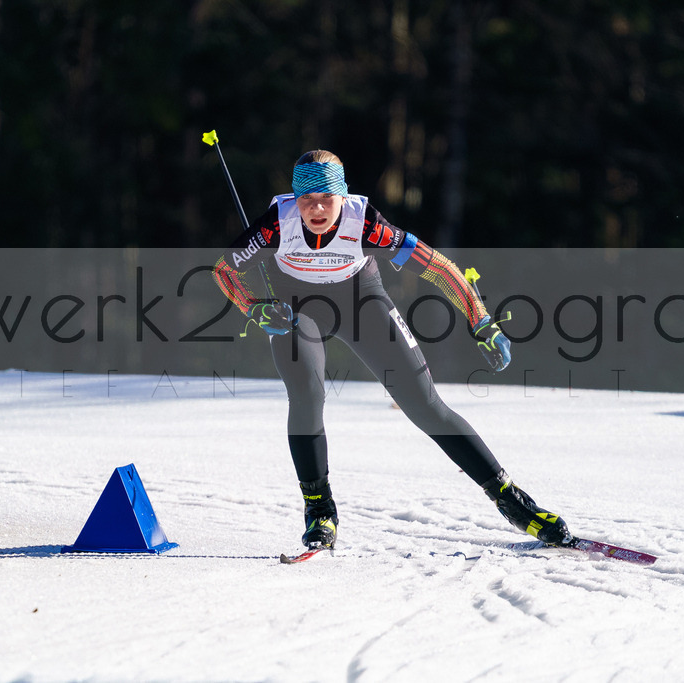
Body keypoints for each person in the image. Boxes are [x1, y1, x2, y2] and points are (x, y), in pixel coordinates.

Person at [212, 150, 571, 551]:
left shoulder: (364, 224)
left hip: (360, 299)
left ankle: (513, 502)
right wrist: (255, 308)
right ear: (294, 199)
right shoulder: (275, 225)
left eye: (326, 198)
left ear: (342, 196)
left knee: (425, 405)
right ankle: (319, 509)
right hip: (296, 308)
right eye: (306, 199)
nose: (315, 208)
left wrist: (481, 320)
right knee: (307, 392)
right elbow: (225, 271)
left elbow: (438, 267)